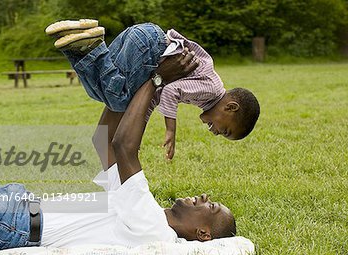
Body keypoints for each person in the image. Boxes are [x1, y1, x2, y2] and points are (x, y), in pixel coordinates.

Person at [0, 50, 236, 255]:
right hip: (8, 200)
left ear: (203, 234)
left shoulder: (153, 229)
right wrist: (138, 78)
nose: (206, 197)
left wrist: (156, 79)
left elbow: (125, 147)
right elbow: (105, 143)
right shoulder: (139, 208)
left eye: (213, 207)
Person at [45, 19, 260, 159]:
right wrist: (170, 129)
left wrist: (136, 129)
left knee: (99, 93)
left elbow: (152, 96)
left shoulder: (204, 95)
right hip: (150, 47)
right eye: (224, 130)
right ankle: (95, 47)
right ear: (231, 107)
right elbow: (168, 92)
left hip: (142, 38)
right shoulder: (211, 89)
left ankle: (81, 42)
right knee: (118, 99)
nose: (214, 132)